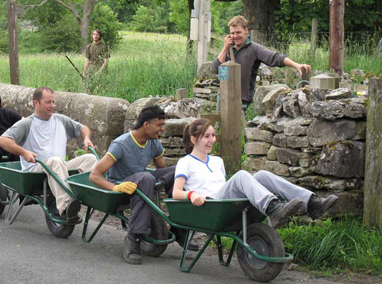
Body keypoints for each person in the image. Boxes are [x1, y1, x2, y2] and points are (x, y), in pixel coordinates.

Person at [172, 118, 339, 230]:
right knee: (242, 175)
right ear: (193, 139)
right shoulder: (185, 162)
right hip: (210, 206)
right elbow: (176, 192)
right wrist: (192, 195)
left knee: (263, 175)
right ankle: (273, 208)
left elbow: (222, 186)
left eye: (213, 136)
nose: (212, 140)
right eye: (206, 137)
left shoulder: (217, 161)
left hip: (225, 204)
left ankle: (311, 203)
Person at [89, 105, 176, 265]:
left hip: (141, 182)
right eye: (159, 125)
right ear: (146, 125)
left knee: (178, 170)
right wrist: (115, 187)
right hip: (121, 188)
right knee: (146, 178)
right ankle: (133, 238)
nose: (162, 129)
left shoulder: (153, 142)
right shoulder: (121, 144)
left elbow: (163, 170)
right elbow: (94, 175)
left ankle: (178, 226)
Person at [0, 87, 97, 222]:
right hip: (36, 170)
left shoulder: (60, 120)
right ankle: (66, 206)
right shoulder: (27, 124)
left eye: (53, 102)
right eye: (48, 102)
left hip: (59, 166)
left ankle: (89, 198)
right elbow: (2, 140)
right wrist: (24, 152)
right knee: (55, 160)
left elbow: (83, 128)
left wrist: (86, 138)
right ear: (36, 103)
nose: (52, 106)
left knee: (90, 159)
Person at [212, 15, 311, 110]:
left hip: (241, 100)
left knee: (235, 127)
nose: (235, 36)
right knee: (223, 127)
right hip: (224, 97)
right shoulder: (228, 49)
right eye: (232, 33)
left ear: (246, 30)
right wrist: (225, 48)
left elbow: (275, 57)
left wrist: (296, 65)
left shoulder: (254, 49)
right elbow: (215, 69)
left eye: (238, 32)